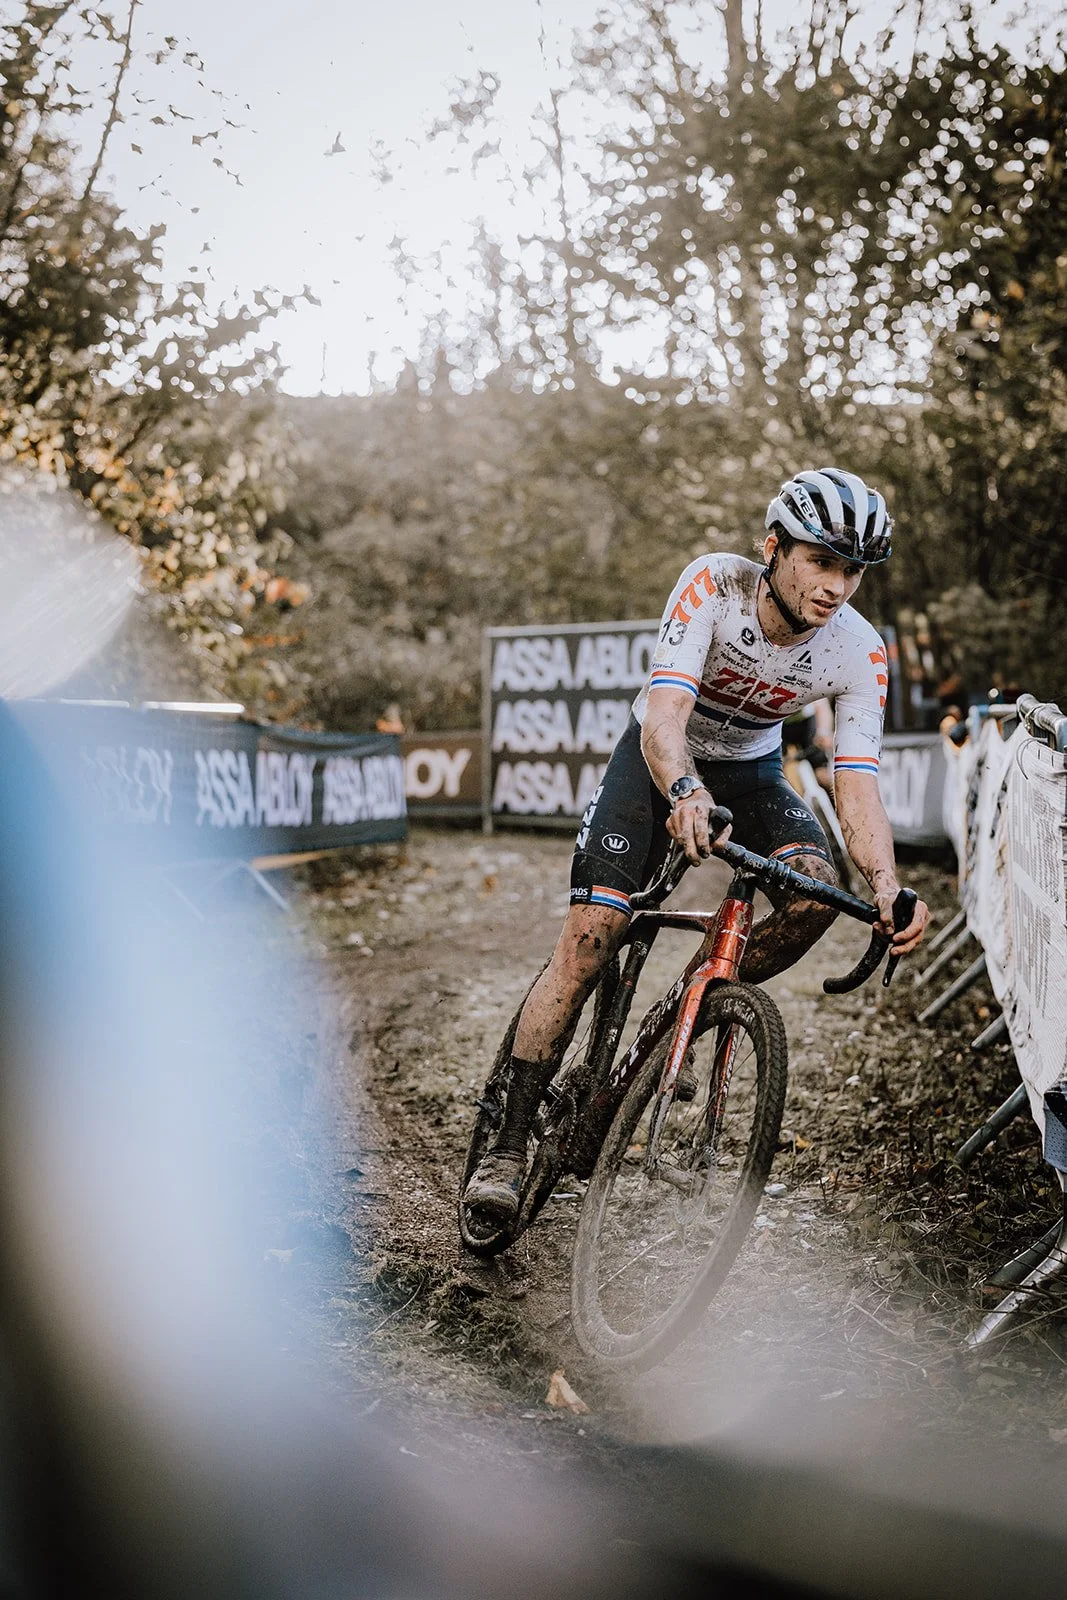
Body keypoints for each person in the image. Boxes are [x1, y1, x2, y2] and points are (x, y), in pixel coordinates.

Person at [463, 467, 930, 1223]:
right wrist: (683, 792)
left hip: (751, 774)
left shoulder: (857, 649)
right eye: (820, 561)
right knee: (590, 938)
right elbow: (665, 717)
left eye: (852, 571)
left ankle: (679, 1017)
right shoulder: (712, 585)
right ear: (772, 548)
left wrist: (883, 886)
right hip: (655, 764)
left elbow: (856, 781)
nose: (836, 587)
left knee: (814, 892)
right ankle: (507, 1147)